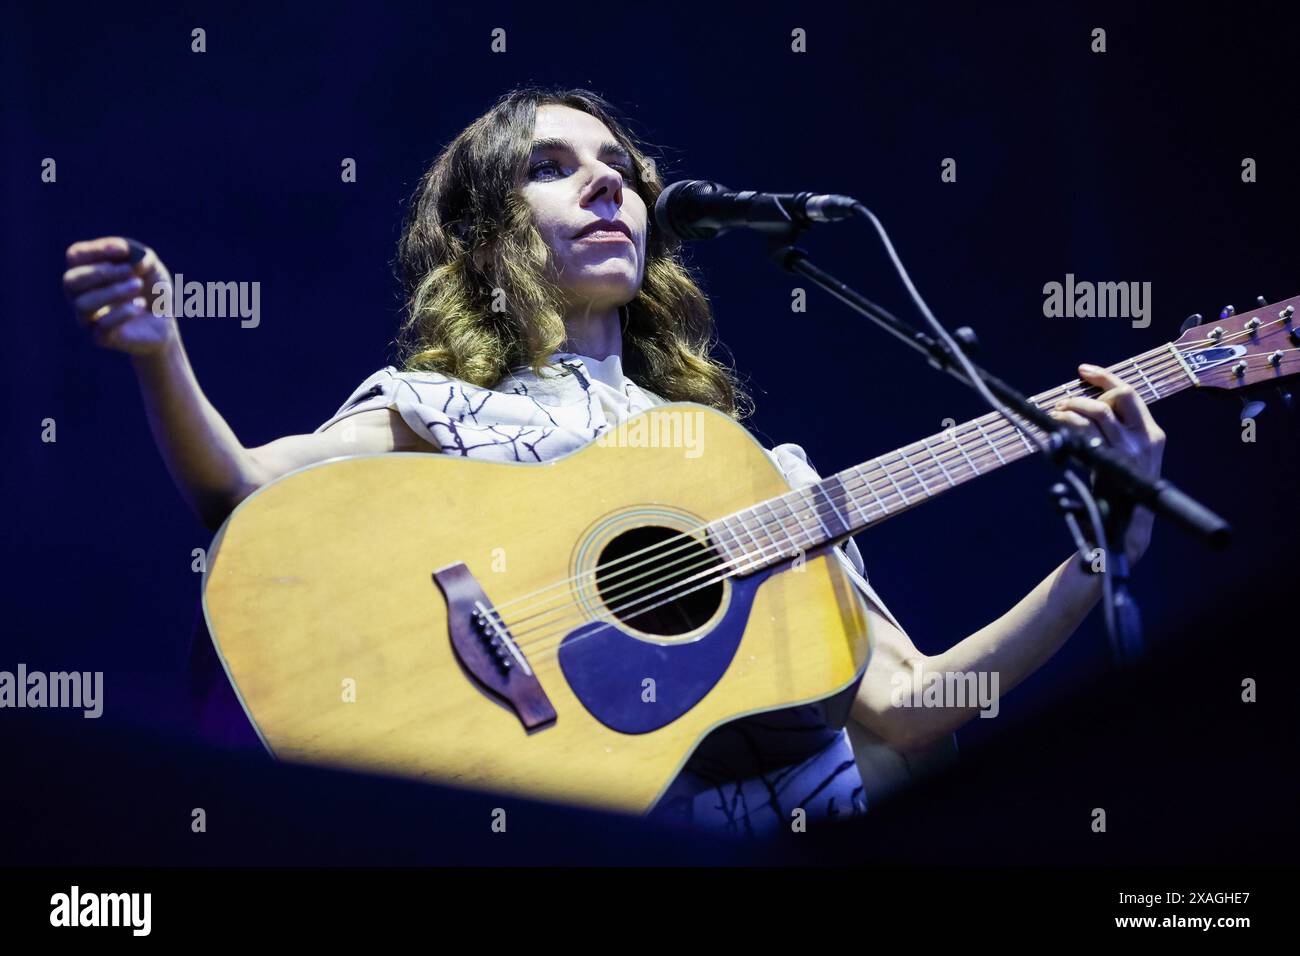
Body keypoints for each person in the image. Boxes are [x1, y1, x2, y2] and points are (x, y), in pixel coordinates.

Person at [62, 86, 1166, 837]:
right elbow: (245, 495)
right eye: (553, 167)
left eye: (621, 171)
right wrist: (164, 352)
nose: (608, 187)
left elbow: (915, 709)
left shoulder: (754, 471)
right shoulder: (437, 408)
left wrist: (1095, 560)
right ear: (491, 236)